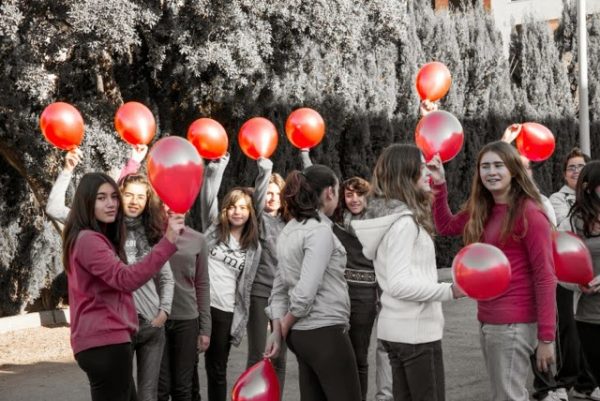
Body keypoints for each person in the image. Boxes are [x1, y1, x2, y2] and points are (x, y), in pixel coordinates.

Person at [429, 141, 556, 401]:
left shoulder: (530, 213)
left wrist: (546, 338)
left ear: (513, 170)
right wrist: (440, 184)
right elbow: (445, 226)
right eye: (485, 166)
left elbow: (545, 276)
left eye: (498, 165)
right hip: (489, 318)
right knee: (504, 395)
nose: (491, 172)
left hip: (514, 323)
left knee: (508, 396)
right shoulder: (482, 209)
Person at [352, 144, 463, 401]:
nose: (428, 173)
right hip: (416, 334)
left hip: (398, 331)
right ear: (405, 174)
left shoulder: (392, 218)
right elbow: (399, 284)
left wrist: (440, 182)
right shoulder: (404, 224)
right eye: (421, 167)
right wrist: (450, 290)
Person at [61, 172, 183, 401]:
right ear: (86, 201)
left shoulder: (91, 237)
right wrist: (167, 243)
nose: (111, 203)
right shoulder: (89, 240)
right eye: (101, 198)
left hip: (106, 342)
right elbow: (125, 279)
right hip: (105, 343)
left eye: (113, 197)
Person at [264, 164, 361, 401]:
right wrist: (282, 328)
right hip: (324, 331)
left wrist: (278, 330)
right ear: (329, 192)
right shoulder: (319, 232)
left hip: (302, 337)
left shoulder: (289, 231)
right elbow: (304, 294)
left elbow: (278, 290)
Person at [200, 154, 261, 401]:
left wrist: (263, 171)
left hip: (225, 309)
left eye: (244, 207)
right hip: (199, 304)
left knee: (216, 368)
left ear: (250, 212)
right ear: (226, 209)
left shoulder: (254, 247)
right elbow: (208, 197)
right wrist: (218, 168)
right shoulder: (214, 228)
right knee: (184, 363)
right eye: (233, 206)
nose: (238, 212)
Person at [245, 158, 288, 388]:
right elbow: (258, 200)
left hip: (284, 298)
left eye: (277, 193)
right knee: (257, 355)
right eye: (268, 193)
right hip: (260, 293)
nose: (272, 198)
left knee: (279, 358)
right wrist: (266, 171)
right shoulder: (258, 219)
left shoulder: (290, 222)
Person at [560, 161, 600, 401]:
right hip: (589, 317)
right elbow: (558, 270)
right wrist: (578, 284)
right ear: (588, 187)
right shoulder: (571, 223)